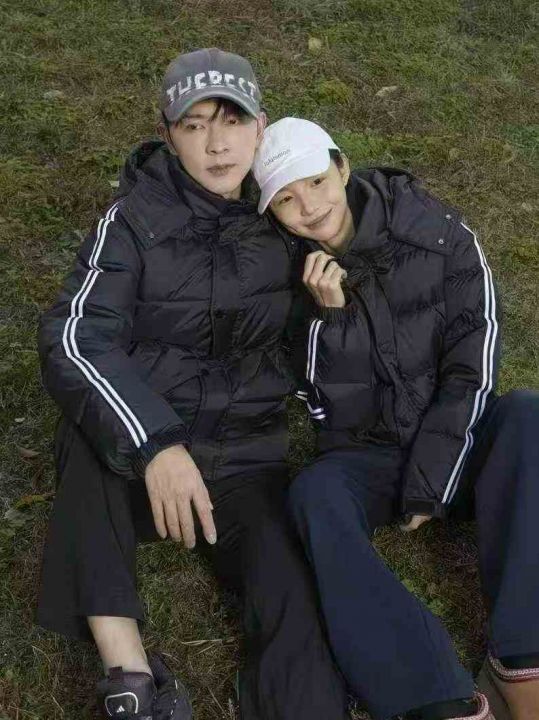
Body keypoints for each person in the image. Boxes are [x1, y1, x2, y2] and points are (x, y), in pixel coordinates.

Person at [36, 56, 351, 720]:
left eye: (233, 122)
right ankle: (129, 678)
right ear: (168, 134)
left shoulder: (286, 210)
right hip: (142, 460)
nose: (217, 145)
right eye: (195, 125)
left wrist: (330, 315)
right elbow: (75, 337)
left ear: (261, 127)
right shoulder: (132, 220)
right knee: (86, 438)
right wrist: (156, 445)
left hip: (244, 458)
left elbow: (363, 227)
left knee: (291, 595)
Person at [253, 117, 539, 720]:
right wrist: (330, 319)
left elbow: (474, 360)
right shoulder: (281, 278)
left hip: (458, 440)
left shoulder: (437, 232)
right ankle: (433, 697)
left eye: (315, 181)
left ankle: (524, 658)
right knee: (314, 495)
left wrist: (432, 478)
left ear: (342, 166)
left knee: (526, 414)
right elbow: (331, 415)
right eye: (285, 199)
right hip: (371, 452)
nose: (309, 207)